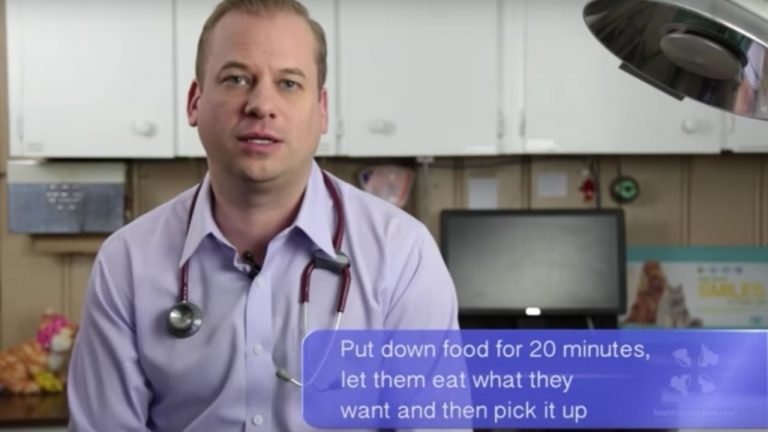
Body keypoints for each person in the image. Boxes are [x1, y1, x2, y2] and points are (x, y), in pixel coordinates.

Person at [67, 0, 462, 430]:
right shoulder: (126, 262)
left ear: (322, 110)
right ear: (195, 101)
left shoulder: (402, 253)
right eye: (236, 79)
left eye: (289, 83)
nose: (261, 104)